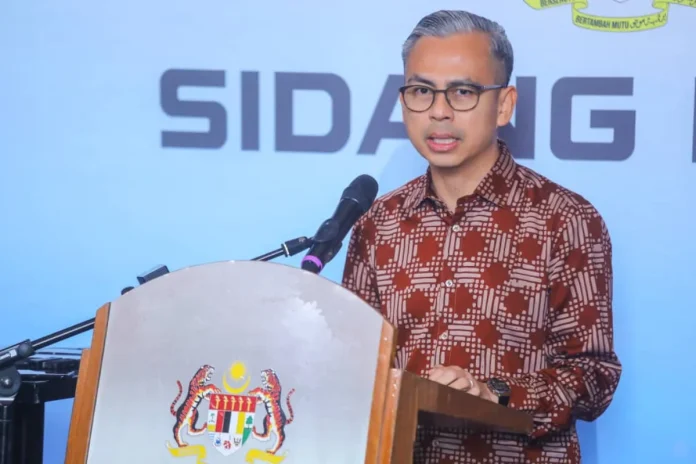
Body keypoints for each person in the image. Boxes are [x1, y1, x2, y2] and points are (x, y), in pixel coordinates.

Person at [341, 9, 622, 464]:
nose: (439, 111)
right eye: (421, 90)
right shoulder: (378, 224)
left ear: (505, 104)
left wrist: (496, 393)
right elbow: (355, 369)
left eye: (463, 91)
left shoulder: (565, 220)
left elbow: (593, 376)